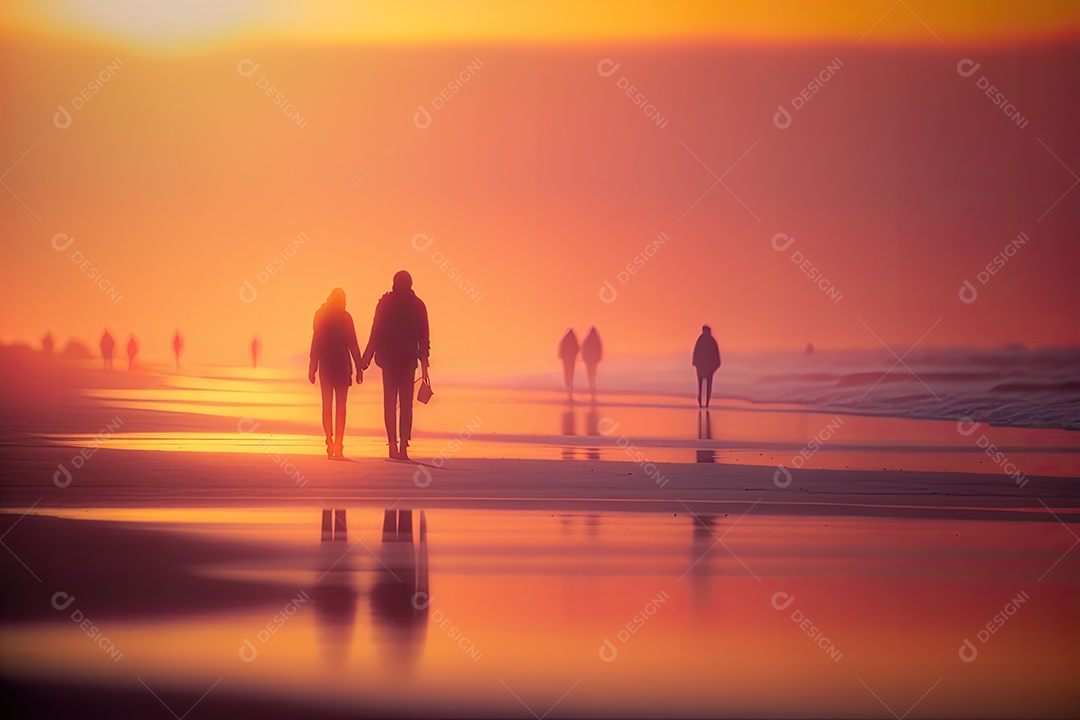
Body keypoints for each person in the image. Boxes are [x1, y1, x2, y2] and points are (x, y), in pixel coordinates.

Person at [362, 271, 430, 461]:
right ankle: (402, 446)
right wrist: (424, 364)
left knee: (390, 403)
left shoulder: (386, 303)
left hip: (391, 360)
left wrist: (366, 359)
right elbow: (424, 338)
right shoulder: (418, 305)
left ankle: (394, 444)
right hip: (407, 360)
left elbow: (375, 332)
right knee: (406, 405)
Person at [309, 288, 363, 459]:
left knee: (326, 406)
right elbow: (353, 343)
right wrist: (359, 366)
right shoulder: (345, 318)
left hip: (326, 365)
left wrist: (313, 366)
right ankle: (338, 444)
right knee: (341, 408)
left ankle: (329, 442)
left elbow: (316, 341)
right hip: (342, 365)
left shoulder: (321, 314)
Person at [692, 325, 721, 408]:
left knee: (703, 385)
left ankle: (704, 402)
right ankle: (703, 402)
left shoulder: (702, 340)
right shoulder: (710, 340)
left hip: (705, 367)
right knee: (705, 385)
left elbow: (696, 352)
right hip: (705, 367)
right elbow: (716, 354)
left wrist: (695, 362)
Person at [581, 326, 603, 397]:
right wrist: (599, 357)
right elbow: (600, 349)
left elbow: (584, 349)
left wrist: (584, 357)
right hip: (594, 359)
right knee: (593, 372)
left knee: (589, 372)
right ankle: (592, 385)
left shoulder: (587, 339)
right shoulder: (597, 340)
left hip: (589, 359)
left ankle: (590, 385)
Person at [558, 328, 579, 396]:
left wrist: (560, 355)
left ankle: (568, 385)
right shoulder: (573, 339)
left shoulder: (565, 338)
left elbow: (561, 347)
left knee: (567, 371)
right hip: (571, 358)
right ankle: (569, 385)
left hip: (567, 358)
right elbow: (577, 348)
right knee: (570, 371)